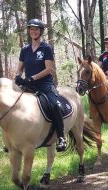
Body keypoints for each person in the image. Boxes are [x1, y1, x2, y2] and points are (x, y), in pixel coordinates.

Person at [14, 18, 66, 152]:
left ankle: (61, 137)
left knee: (54, 105)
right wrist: (18, 76)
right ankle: (14, 139)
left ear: (40, 31)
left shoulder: (46, 48)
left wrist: (32, 78)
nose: (34, 31)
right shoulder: (25, 49)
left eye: (36, 29)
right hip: (29, 85)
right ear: (29, 31)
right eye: (31, 29)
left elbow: (49, 69)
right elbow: (20, 67)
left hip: (44, 84)